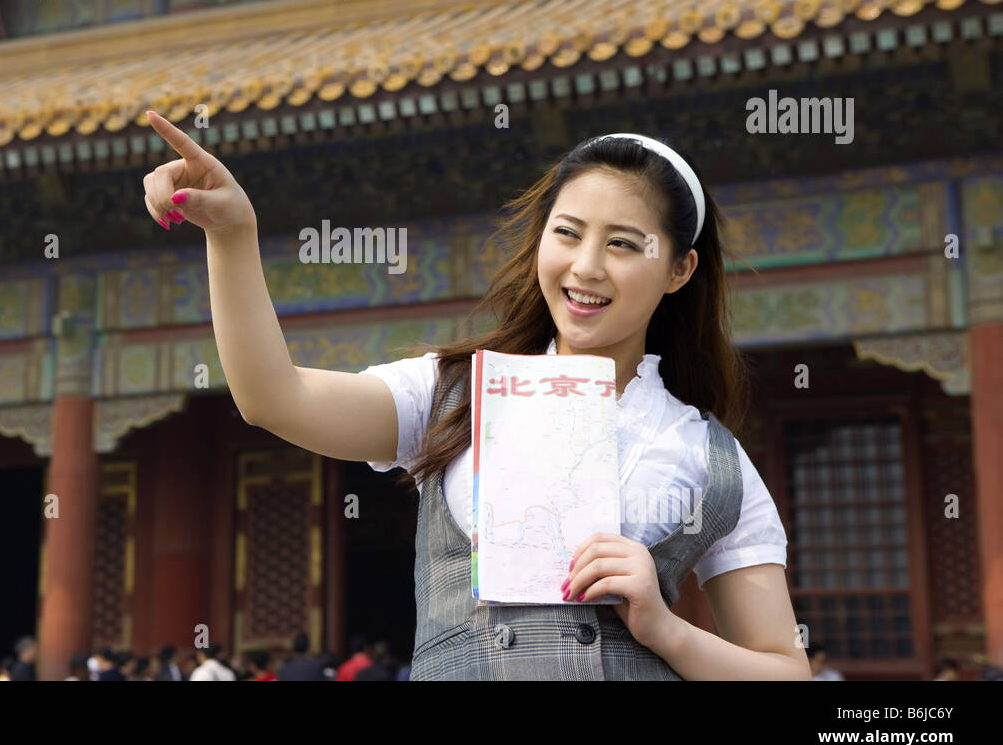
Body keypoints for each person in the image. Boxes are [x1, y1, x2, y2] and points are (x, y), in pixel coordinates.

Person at [142, 113, 807, 681]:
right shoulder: (451, 395)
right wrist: (232, 236)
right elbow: (273, 397)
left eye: (624, 245)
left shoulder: (706, 455)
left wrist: (667, 630)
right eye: (567, 232)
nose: (585, 267)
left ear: (679, 269)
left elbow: (784, 669)